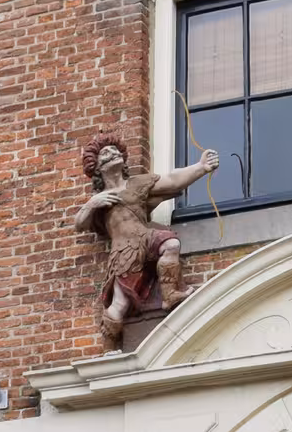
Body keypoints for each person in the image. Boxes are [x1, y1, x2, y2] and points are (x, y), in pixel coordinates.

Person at [75, 133, 220, 349]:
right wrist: (92, 204)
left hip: (145, 236)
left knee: (171, 244)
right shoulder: (101, 198)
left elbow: (172, 179)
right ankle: (108, 349)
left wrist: (200, 167)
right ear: (96, 167)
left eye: (115, 150)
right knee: (120, 303)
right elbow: (80, 224)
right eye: (106, 152)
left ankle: (170, 294)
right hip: (125, 249)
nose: (113, 153)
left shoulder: (137, 184)